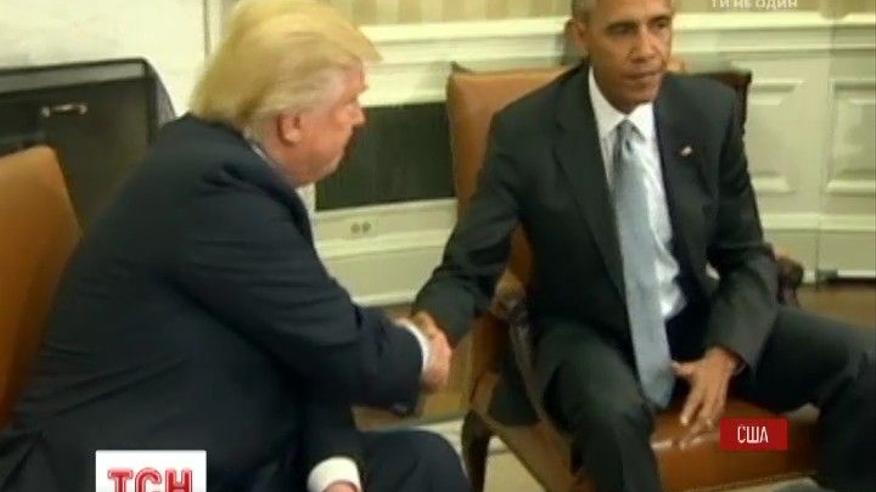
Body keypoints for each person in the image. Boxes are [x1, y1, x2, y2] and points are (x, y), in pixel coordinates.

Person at [0, 1, 468, 491]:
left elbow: (308, 339)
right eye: (349, 102)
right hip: (117, 474)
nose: (360, 118)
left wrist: (335, 472)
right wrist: (420, 353)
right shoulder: (214, 191)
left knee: (423, 463)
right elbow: (337, 342)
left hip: (211, 442)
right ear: (292, 122)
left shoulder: (221, 165)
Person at [413, 1, 875, 491]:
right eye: (622, 31)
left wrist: (724, 354)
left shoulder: (708, 112)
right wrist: (428, 332)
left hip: (693, 319)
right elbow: (471, 263)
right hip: (586, 332)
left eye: (660, 26)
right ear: (581, 34)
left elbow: (745, 254)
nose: (648, 50)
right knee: (614, 419)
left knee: (864, 361)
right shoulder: (526, 132)